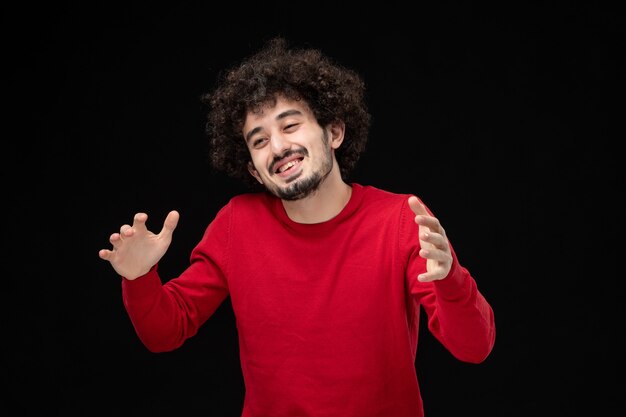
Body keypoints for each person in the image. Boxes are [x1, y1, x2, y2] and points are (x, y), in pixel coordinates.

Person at [99, 37, 496, 417]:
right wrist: (139, 276)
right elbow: (166, 329)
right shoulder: (238, 224)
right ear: (253, 171)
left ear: (334, 132)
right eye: (259, 140)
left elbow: (474, 347)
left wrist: (451, 281)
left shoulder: (399, 219)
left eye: (290, 126)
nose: (277, 148)